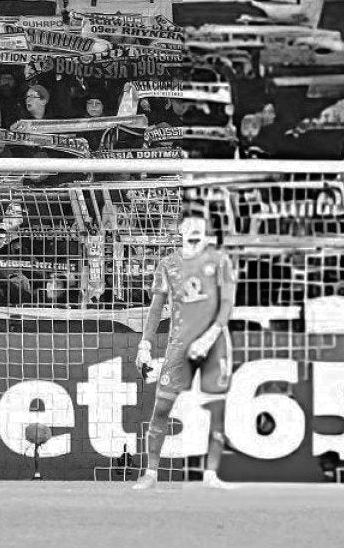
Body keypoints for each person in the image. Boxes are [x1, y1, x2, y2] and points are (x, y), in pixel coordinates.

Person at [131, 210, 236, 490]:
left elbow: (227, 304)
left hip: (216, 344)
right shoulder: (167, 265)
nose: (195, 228)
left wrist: (209, 337)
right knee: (162, 408)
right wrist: (145, 344)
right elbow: (156, 308)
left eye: (200, 224)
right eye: (189, 224)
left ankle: (212, 474)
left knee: (217, 409)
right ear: (180, 230)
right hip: (179, 345)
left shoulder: (220, 261)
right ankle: (151, 473)